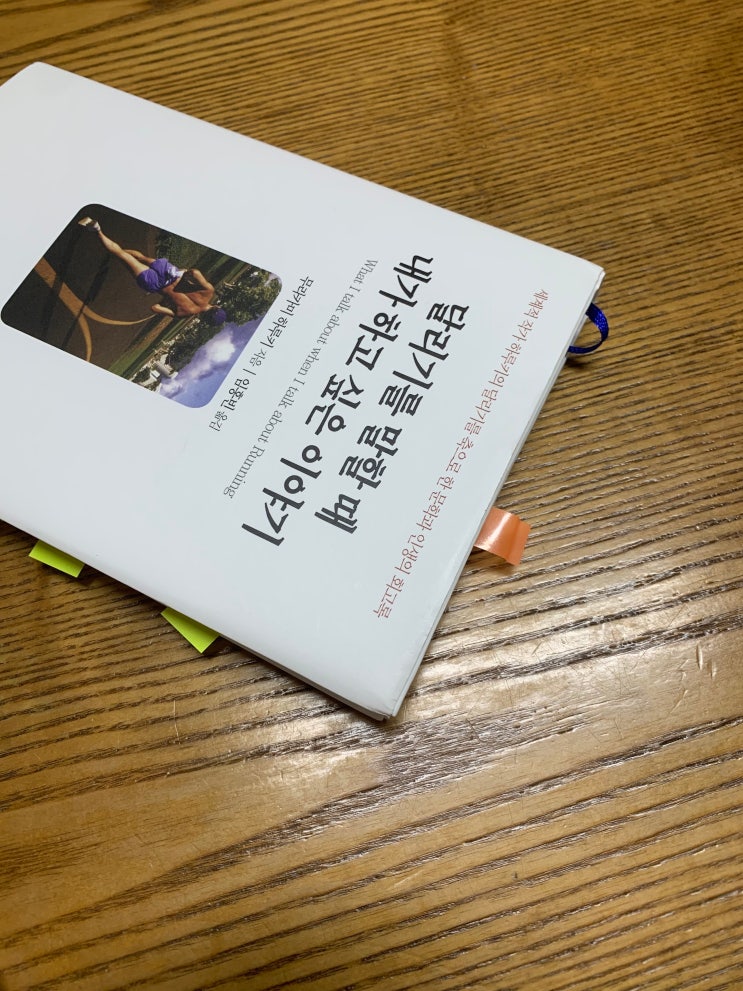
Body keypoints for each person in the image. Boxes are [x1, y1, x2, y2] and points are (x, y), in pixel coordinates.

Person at [78, 217, 227, 325]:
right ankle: (98, 231)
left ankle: (112, 246)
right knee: (122, 256)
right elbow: (155, 308)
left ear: (216, 306)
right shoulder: (185, 314)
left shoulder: (208, 291)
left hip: (169, 273)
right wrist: (169, 300)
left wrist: (183, 273)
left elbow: (195, 273)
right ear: (205, 319)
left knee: (141, 257)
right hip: (155, 284)